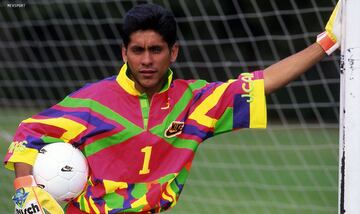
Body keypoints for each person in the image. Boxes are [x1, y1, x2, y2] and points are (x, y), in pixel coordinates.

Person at [4, 2, 342, 214]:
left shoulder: (194, 101)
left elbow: (262, 81)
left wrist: (327, 42)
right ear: (124, 54)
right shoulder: (93, 102)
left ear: (173, 52)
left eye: (156, 49)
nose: (147, 60)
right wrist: (24, 191)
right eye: (137, 50)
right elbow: (29, 131)